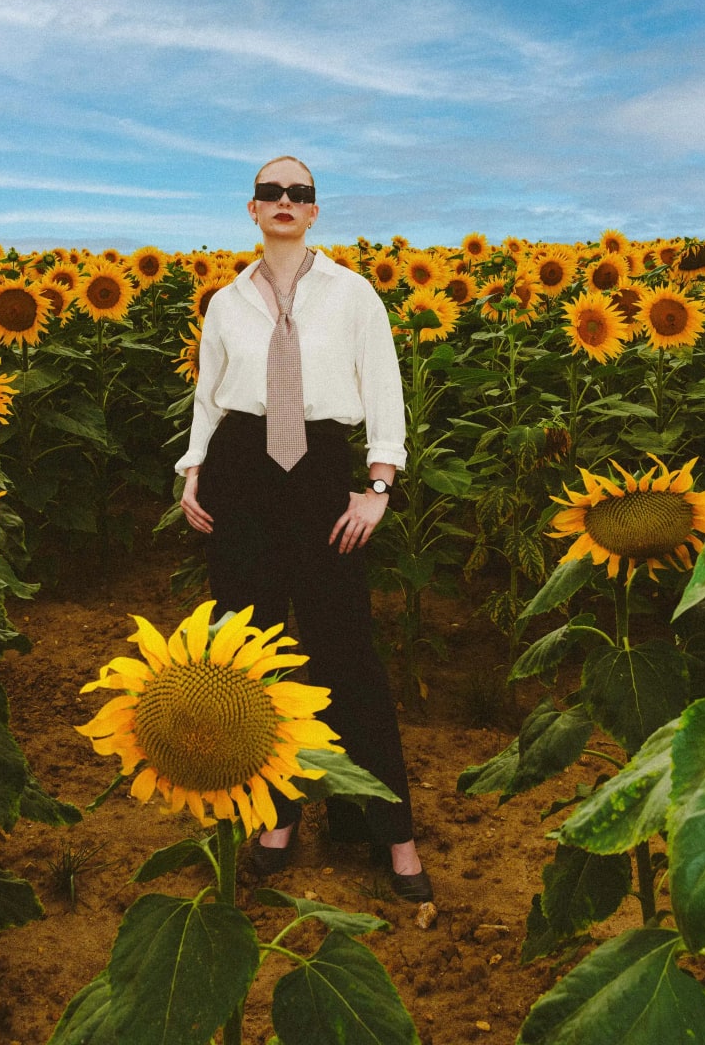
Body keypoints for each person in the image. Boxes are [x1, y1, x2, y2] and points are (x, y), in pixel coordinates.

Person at [176, 155, 432, 902]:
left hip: (322, 476)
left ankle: (393, 834)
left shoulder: (354, 296)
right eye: (270, 192)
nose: (284, 201)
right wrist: (195, 469)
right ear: (251, 210)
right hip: (240, 477)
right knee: (250, 661)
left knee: (347, 658)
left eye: (299, 193)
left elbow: (384, 390)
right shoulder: (226, 303)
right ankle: (276, 818)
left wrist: (379, 483)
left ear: (314, 212)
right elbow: (210, 395)